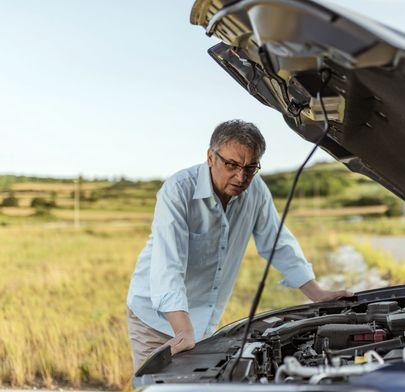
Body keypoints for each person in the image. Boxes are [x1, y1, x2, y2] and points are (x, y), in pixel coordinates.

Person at [126, 119, 352, 370]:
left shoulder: (256, 191)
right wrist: (183, 330)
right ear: (211, 157)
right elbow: (169, 265)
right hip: (155, 318)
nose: (241, 176)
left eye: (251, 167)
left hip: (201, 324)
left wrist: (317, 293)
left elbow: (277, 242)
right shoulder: (178, 191)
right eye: (232, 164)